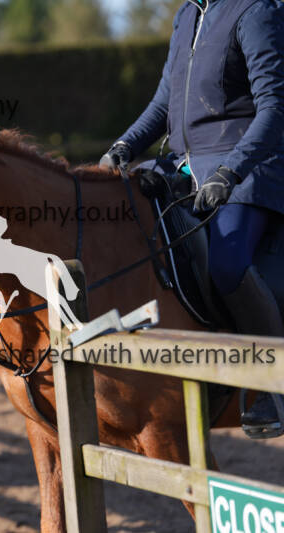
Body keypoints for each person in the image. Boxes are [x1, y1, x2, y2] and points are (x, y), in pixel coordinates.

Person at [99, 0, 284, 438]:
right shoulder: (187, 16)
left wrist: (231, 171)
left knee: (226, 263)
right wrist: (124, 146)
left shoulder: (255, 11)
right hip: (181, 165)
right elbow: (164, 101)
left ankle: (272, 384)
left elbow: (275, 106)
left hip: (249, 167)